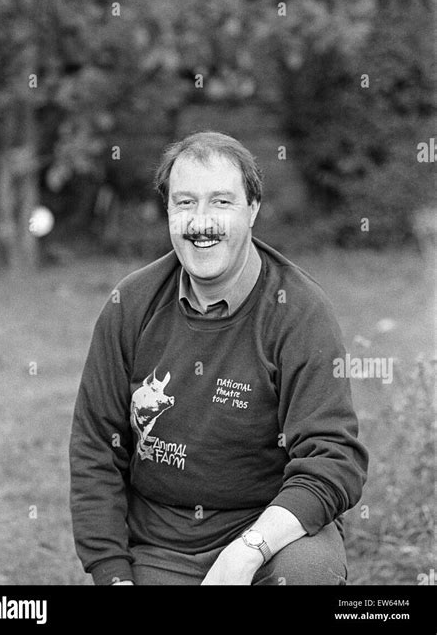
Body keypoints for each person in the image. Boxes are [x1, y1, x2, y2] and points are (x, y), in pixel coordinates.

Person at [69, 131, 368, 586]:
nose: (201, 222)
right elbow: (95, 448)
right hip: (159, 546)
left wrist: (247, 552)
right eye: (185, 203)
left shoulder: (300, 311)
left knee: (308, 573)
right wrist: (113, 573)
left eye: (221, 203)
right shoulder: (129, 304)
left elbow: (333, 459)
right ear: (167, 211)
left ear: (253, 209)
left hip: (270, 535)